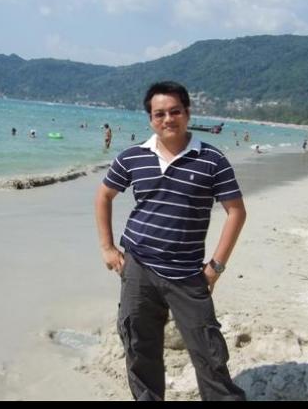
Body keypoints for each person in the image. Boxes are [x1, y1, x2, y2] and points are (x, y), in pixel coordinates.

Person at [94, 81, 247, 401]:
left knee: (209, 351)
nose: (168, 119)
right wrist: (107, 248)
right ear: (150, 119)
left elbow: (236, 212)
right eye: (159, 113)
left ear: (187, 113)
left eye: (175, 111)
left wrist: (216, 267)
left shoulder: (212, 159)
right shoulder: (133, 157)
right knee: (139, 346)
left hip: (188, 273)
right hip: (138, 266)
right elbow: (104, 196)